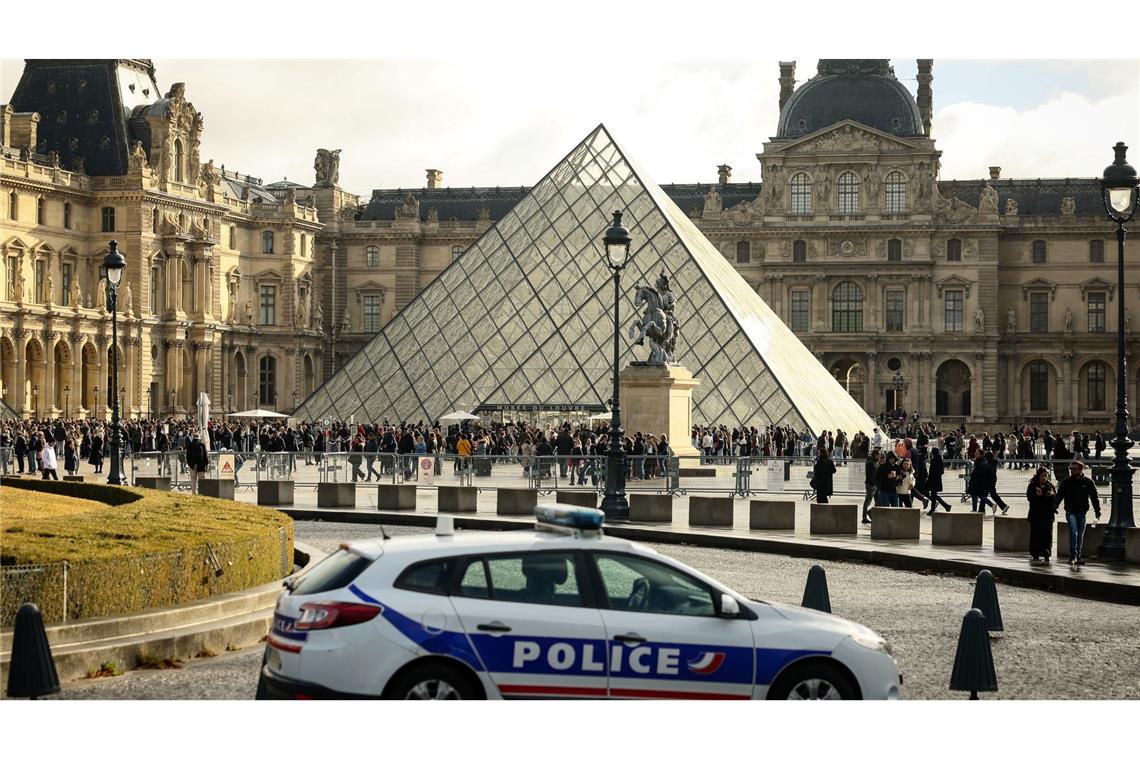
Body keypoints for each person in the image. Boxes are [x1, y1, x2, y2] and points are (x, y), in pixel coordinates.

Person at [1055, 460, 1101, 566]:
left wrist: (1097, 511)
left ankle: (1078, 556)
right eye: (1071, 469)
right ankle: (1073, 556)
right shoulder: (1066, 482)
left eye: (1074, 469)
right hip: (1070, 512)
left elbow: (1094, 497)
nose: (1072, 471)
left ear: (1081, 470)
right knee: (1074, 533)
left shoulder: (1088, 482)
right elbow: (1059, 495)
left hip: (1082, 512)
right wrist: (1055, 506)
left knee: (1080, 535)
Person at [1025, 467, 1056, 562]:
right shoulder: (1033, 485)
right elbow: (1029, 497)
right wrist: (1037, 495)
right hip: (1036, 514)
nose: (1044, 478)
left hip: (1047, 514)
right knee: (1035, 534)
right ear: (1038, 476)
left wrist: (1051, 495)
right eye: (1043, 476)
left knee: (1047, 534)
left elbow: (1055, 499)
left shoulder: (1050, 485)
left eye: (1046, 476)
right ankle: (1035, 553)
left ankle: (1046, 552)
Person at [924, 446, 953, 514]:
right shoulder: (938, 458)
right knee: (934, 495)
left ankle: (943, 506)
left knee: (933, 495)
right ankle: (942, 506)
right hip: (936, 480)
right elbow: (941, 471)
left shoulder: (935, 459)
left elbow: (933, 471)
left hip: (933, 480)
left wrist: (930, 478)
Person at [862, 449, 880, 523]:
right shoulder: (871, 463)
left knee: (878, 500)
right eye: (879, 455)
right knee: (868, 501)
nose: (880, 456)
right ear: (875, 455)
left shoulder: (875, 462)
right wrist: (874, 483)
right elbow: (870, 475)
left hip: (873, 484)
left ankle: (869, 512)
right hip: (871, 485)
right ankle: (864, 516)